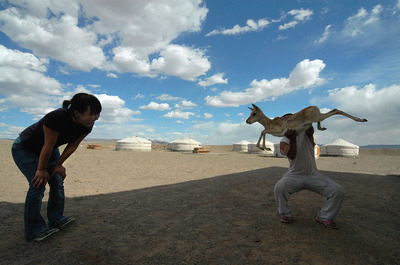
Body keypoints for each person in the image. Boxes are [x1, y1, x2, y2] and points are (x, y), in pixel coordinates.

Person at [11, 93, 102, 241]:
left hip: (50, 149)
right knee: (38, 183)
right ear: (76, 113)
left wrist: (59, 165)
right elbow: (48, 144)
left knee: (57, 179)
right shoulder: (57, 117)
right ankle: (34, 229)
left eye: (98, 114)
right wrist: (41, 170)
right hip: (25, 148)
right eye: (92, 113)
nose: (96, 117)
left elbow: (73, 145)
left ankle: (56, 218)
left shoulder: (87, 124)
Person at [274, 114, 344, 229]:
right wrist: (292, 139)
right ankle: (285, 214)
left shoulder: (306, 133)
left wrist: (309, 129)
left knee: (338, 191)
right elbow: (291, 155)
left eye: (291, 119)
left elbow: (311, 133)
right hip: (294, 175)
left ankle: (325, 216)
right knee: (279, 188)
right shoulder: (284, 140)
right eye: (285, 120)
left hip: (313, 174)